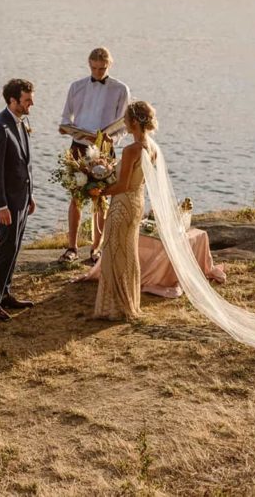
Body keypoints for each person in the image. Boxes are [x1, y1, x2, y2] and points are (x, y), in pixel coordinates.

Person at [58, 47, 130, 265]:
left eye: (103, 68)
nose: (98, 72)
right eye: (94, 68)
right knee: (76, 198)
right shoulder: (76, 87)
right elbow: (65, 118)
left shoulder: (121, 89)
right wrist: (66, 128)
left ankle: (96, 248)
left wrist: (111, 140)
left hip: (104, 149)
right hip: (78, 146)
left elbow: (125, 125)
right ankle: (72, 247)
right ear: (89, 64)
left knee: (101, 198)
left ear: (110, 65)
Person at [89, 101, 157, 321]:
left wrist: (99, 192)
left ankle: (114, 307)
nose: (124, 124)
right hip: (137, 204)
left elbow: (122, 185)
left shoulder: (131, 150)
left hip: (122, 205)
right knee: (128, 254)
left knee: (112, 253)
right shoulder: (152, 147)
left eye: (126, 120)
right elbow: (134, 179)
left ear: (135, 122)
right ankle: (130, 301)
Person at [0, 79, 37, 321]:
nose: (31, 103)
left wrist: (30, 195)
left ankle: (4, 294)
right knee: (5, 248)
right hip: (7, 203)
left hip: (22, 199)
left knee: (14, 247)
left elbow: (24, 164)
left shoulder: (20, 122)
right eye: (27, 100)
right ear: (12, 101)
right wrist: (1, 204)